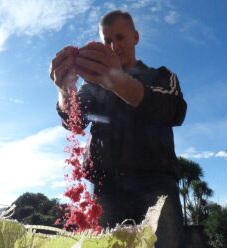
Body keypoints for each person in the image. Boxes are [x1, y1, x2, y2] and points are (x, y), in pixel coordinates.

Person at [50, 10, 187, 248]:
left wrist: (116, 80)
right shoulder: (93, 87)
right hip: (107, 189)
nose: (114, 46)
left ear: (136, 37)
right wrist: (65, 88)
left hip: (156, 186)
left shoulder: (161, 76)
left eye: (120, 38)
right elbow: (75, 120)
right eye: (107, 40)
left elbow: (173, 110)